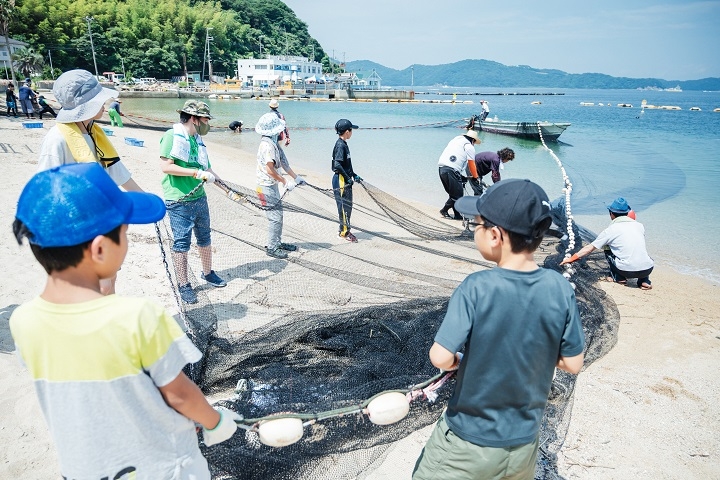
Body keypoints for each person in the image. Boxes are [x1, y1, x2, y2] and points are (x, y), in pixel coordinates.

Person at [9, 163, 241, 479]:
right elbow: (179, 394)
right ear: (100, 250)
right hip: (164, 468)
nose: (127, 235)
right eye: (124, 230)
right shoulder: (139, 317)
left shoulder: (23, 322)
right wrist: (215, 422)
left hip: (84, 470)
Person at [413, 179, 585, 480]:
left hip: (467, 443)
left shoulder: (476, 287)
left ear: (495, 235)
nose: (474, 230)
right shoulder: (559, 288)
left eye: (475, 225)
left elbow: (439, 357)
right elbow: (573, 363)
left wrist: (458, 361)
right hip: (523, 447)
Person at [36, 69, 145, 295]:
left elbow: (118, 172)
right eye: (99, 99)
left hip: (102, 219)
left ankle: (109, 322)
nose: (105, 103)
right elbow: (45, 190)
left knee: (110, 277)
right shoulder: (57, 140)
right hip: (76, 226)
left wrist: (147, 200)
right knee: (95, 285)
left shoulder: (94, 132)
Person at [160, 100, 240, 304]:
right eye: (205, 119)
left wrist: (228, 190)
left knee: (204, 237)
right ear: (194, 119)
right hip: (179, 199)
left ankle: (207, 272)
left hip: (199, 198)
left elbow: (209, 170)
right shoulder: (172, 136)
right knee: (181, 243)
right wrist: (196, 173)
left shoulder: (197, 140)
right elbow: (166, 167)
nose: (207, 123)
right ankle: (184, 284)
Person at [560, 197, 654, 289]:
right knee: (640, 251)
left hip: (625, 270)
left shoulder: (611, 230)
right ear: (627, 213)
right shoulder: (640, 226)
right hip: (648, 269)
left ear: (611, 214)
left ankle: (619, 277)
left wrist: (571, 259)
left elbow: (589, 248)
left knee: (607, 248)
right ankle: (644, 281)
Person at [255, 112, 306, 259]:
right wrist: (284, 182)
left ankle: (277, 242)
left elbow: (283, 162)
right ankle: (272, 247)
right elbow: (269, 170)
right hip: (265, 186)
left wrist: (296, 178)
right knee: (274, 218)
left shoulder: (274, 143)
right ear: (273, 130)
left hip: (271, 185)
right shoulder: (267, 146)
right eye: (279, 129)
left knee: (279, 215)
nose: (281, 132)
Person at [438, 129, 480, 220]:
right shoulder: (469, 146)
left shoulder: (456, 140)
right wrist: (476, 177)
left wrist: (462, 177)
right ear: (473, 140)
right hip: (451, 170)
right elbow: (471, 164)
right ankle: (444, 210)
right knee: (457, 195)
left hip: (442, 168)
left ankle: (457, 215)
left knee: (453, 194)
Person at [332, 118, 362, 242]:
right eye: (351, 130)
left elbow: (346, 165)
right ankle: (344, 233)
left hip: (344, 178)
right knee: (344, 207)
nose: (352, 132)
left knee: (348, 206)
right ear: (347, 132)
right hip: (340, 179)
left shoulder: (344, 144)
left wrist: (353, 175)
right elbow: (337, 165)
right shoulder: (340, 145)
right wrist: (346, 178)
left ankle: (344, 229)